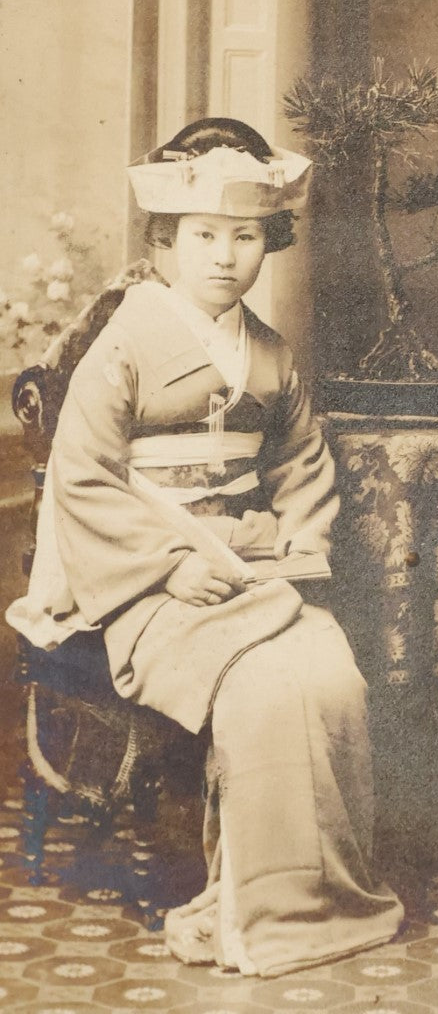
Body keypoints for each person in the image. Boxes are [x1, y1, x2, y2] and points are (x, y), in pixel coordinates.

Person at [7, 117, 404, 974]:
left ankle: (319, 899)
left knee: (333, 678)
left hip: (254, 568)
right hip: (151, 583)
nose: (226, 257)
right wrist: (171, 564)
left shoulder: (269, 352)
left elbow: (302, 463)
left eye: (247, 238)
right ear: (165, 241)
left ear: (271, 243)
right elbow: (81, 481)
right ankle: (253, 907)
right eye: (205, 237)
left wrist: (301, 538)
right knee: (260, 689)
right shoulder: (123, 346)